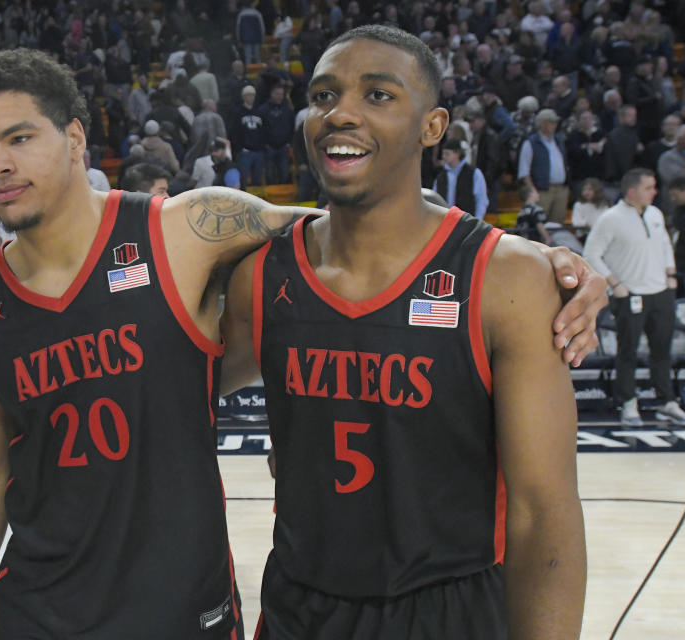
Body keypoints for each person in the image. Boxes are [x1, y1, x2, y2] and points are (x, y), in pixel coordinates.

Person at [0, 47, 604, 640]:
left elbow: (361, 224)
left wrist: (543, 264)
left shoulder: (188, 231)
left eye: (19, 138)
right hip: (245, 603)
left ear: (76, 137)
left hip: (332, 606)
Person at [220, 25, 591, 639]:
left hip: (452, 609)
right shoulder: (261, 277)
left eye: (379, 95)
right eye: (322, 96)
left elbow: (542, 514)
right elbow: (171, 394)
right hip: (300, 606)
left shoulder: (507, 277)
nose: (340, 113)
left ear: (433, 127)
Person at [584, 168, 685, 427]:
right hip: (629, 294)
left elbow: (666, 244)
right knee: (627, 352)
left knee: (662, 351)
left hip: (661, 294)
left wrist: (670, 276)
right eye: (649, 187)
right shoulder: (610, 218)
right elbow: (591, 254)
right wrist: (615, 284)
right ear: (632, 191)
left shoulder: (655, 213)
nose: (655, 191)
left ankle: (667, 402)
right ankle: (629, 404)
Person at [517, 108, 570, 224]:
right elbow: (524, 171)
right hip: (542, 191)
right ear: (544, 124)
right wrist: (533, 191)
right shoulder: (530, 143)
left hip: (561, 189)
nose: (555, 125)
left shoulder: (558, 140)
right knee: (540, 223)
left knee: (558, 224)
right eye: (552, 122)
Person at [433, 139, 489, 218]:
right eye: (443, 153)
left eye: (447, 154)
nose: (443, 157)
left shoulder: (474, 173)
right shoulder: (441, 176)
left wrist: (477, 221)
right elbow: (435, 201)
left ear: (457, 154)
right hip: (445, 222)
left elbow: (481, 199)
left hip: (467, 222)